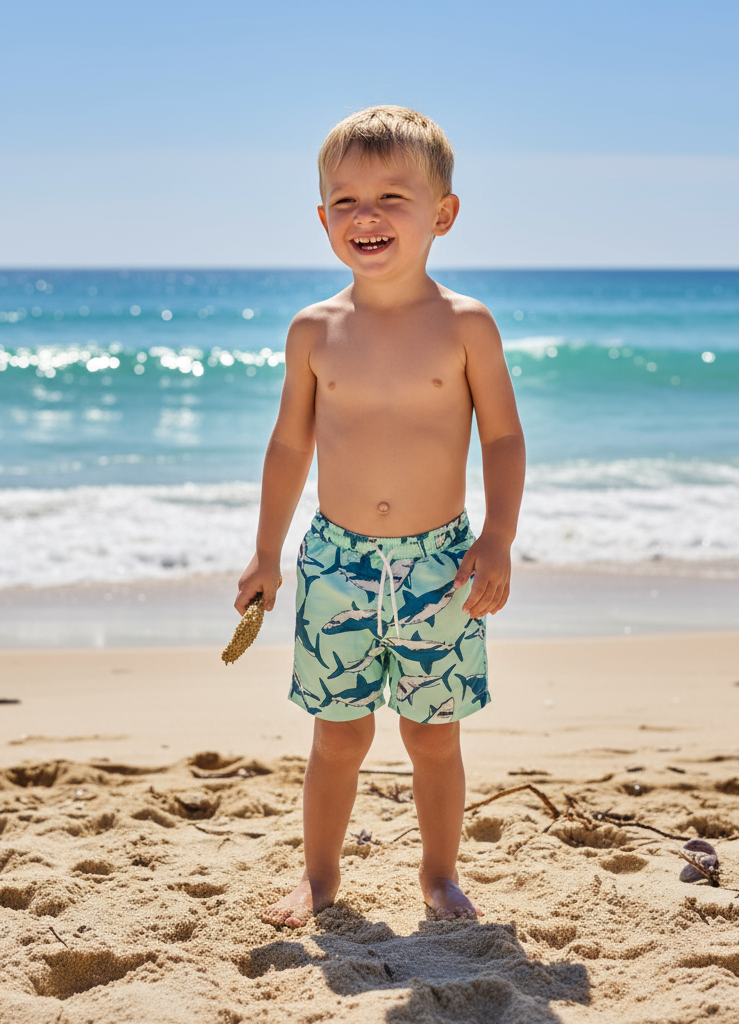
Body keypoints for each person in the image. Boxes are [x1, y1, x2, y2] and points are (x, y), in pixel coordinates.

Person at [235, 105, 525, 928]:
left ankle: (439, 877)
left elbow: (502, 437)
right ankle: (319, 879)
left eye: (392, 197)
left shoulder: (467, 325)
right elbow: (289, 447)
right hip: (335, 560)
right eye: (345, 200)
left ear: (443, 214)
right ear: (322, 217)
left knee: (434, 737)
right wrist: (267, 553)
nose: (366, 215)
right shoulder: (314, 331)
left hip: (443, 563)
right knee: (339, 736)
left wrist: (498, 537)